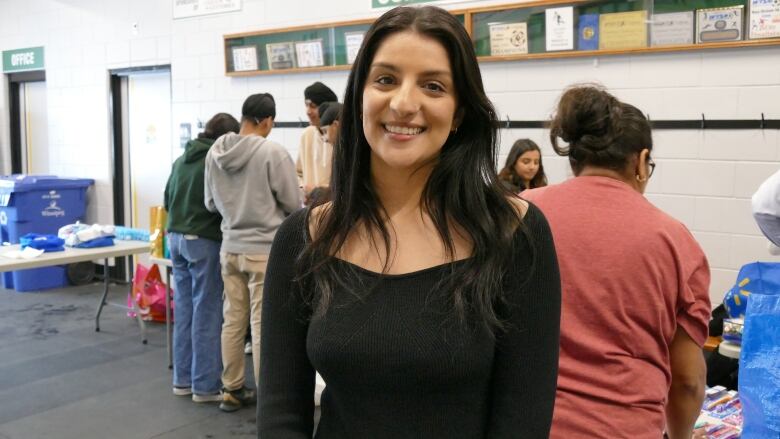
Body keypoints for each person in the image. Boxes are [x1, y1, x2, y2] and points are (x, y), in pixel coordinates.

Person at [259, 6, 561, 438]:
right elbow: (280, 415)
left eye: (433, 86)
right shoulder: (307, 237)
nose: (403, 103)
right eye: (385, 79)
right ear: (360, 94)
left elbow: (523, 420)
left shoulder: (515, 233)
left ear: (459, 112)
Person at [523, 85, 711, 439]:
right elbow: (687, 381)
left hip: (527, 423)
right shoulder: (675, 241)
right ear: (641, 162)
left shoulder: (521, 211)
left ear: (575, 158)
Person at [204, 93, 302, 412]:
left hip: (229, 247)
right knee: (262, 325)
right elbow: (291, 203)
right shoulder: (273, 152)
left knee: (233, 321)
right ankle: (267, 398)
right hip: (264, 251)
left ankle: (231, 389)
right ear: (267, 121)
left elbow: (209, 203)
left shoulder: (215, 152)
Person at [164, 112, 239, 403]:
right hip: (203, 240)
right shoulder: (215, 162)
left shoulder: (181, 160)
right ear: (225, 138)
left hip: (175, 239)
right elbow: (220, 205)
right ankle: (205, 385)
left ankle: (182, 380)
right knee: (207, 311)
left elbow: (167, 198)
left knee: (184, 309)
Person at [297, 82, 338, 203]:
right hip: (311, 208)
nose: (308, 111)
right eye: (306, 105)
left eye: (313, 106)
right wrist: (302, 189)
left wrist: (321, 192)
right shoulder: (307, 134)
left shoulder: (342, 139)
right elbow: (298, 172)